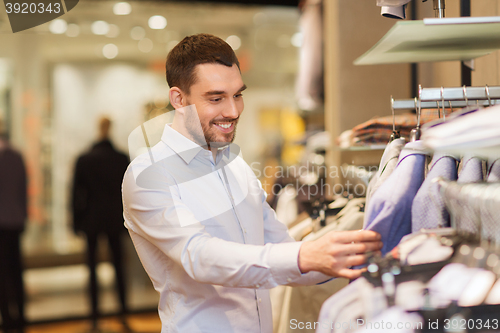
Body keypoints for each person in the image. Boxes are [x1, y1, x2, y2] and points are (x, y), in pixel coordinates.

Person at [122, 33, 382, 333]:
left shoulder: (237, 168)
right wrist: (304, 255)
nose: (233, 112)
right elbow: (199, 256)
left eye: (238, 95)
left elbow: (285, 256)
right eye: (216, 98)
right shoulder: (149, 175)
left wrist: (366, 255)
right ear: (179, 100)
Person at [72, 117, 130, 332]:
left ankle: (94, 315)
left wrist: (77, 221)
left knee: (93, 268)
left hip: (92, 219)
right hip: (115, 218)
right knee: (118, 267)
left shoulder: (85, 159)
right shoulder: (120, 158)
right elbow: (128, 193)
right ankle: (123, 312)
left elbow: (76, 194)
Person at [0, 129, 27, 333]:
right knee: (16, 270)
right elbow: (23, 191)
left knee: (3, 273)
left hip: (2, 223)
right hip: (15, 221)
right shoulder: (17, 157)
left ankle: (8, 318)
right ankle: (21, 316)